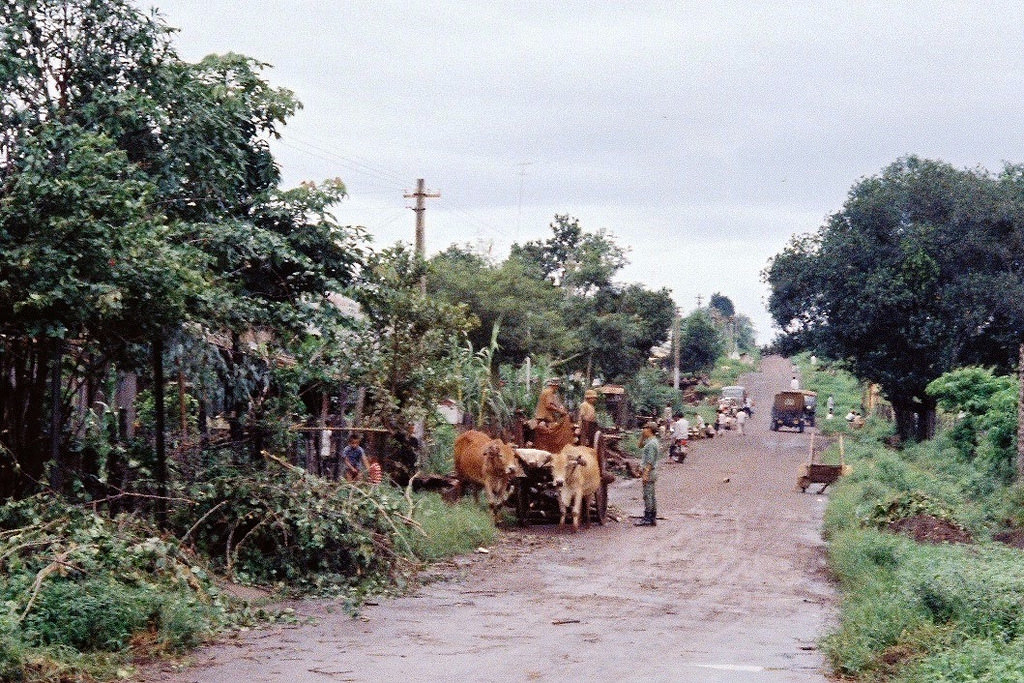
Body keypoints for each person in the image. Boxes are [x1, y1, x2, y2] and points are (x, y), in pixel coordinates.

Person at [635, 422, 660, 527]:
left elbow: (649, 461)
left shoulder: (651, 444)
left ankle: (648, 518)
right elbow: (639, 446)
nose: (643, 430)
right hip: (651, 472)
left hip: (649, 472)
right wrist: (642, 436)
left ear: (649, 429)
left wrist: (645, 474)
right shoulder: (651, 441)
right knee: (651, 495)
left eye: (644, 428)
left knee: (647, 496)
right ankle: (652, 517)